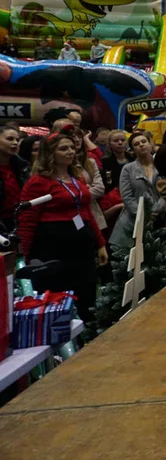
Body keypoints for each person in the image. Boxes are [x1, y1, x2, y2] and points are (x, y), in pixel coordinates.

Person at [17, 133, 109, 322]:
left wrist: (100, 243)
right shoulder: (38, 182)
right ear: (50, 153)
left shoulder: (76, 177)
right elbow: (27, 221)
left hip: (82, 249)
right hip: (54, 249)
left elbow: (87, 213)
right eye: (63, 148)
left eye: (71, 147)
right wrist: (26, 257)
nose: (70, 152)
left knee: (86, 294)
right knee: (59, 299)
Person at [110, 132, 159, 254]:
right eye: (136, 144)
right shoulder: (128, 168)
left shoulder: (161, 165)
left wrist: (156, 210)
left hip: (159, 219)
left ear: (150, 144)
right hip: (132, 221)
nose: (141, 145)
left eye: (144, 141)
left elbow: (165, 193)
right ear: (132, 150)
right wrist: (142, 214)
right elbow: (126, 196)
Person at [0, 124, 31, 233]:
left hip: (19, 221)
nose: (15, 143)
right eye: (10, 139)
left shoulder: (23, 167)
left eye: (17, 140)